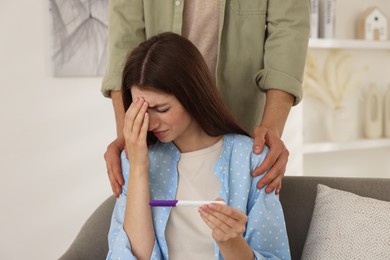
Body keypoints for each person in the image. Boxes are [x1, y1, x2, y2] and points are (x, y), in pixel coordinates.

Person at [107, 32, 290, 260]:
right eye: (141, 111)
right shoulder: (133, 159)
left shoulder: (252, 160)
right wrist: (138, 168)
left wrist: (231, 241)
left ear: (192, 94)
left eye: (162, 109)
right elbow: (130, 257)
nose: (151, 123)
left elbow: (275, 255)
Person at [102, 0, 310, 197]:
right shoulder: (143, 159)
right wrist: (128, 136)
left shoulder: (248, 157)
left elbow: (289, 28)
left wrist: (271, 126)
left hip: (238, 118)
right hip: (157, 141)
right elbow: (124, 35)